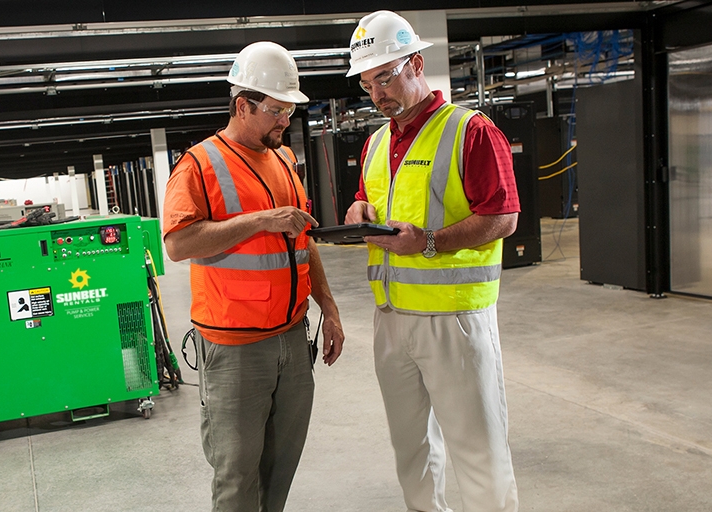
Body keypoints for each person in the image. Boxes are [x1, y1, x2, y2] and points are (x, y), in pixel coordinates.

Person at [342, 11, 520, 512]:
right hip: (391, 317)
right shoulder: (377, 142)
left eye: (386, 76)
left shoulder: (471, 131)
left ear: (416, 63)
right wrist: (360, 211)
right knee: (411, 451)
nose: (378, 93)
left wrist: (428, 242)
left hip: (454, 319)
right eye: (368, 83)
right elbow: (367, 199)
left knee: (477, 450)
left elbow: (503, 217)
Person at [161, 41, 346, 512]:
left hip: (291, 338)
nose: (285, 120)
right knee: (237, 471)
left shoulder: (284, 160)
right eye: (277, 110)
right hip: (233, 349)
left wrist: (330, 306)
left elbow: (302, 240)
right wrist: (262, 221)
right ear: (243, 106)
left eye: (289, 110)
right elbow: (179, 245)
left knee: (280, 466)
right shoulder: (198, 165)